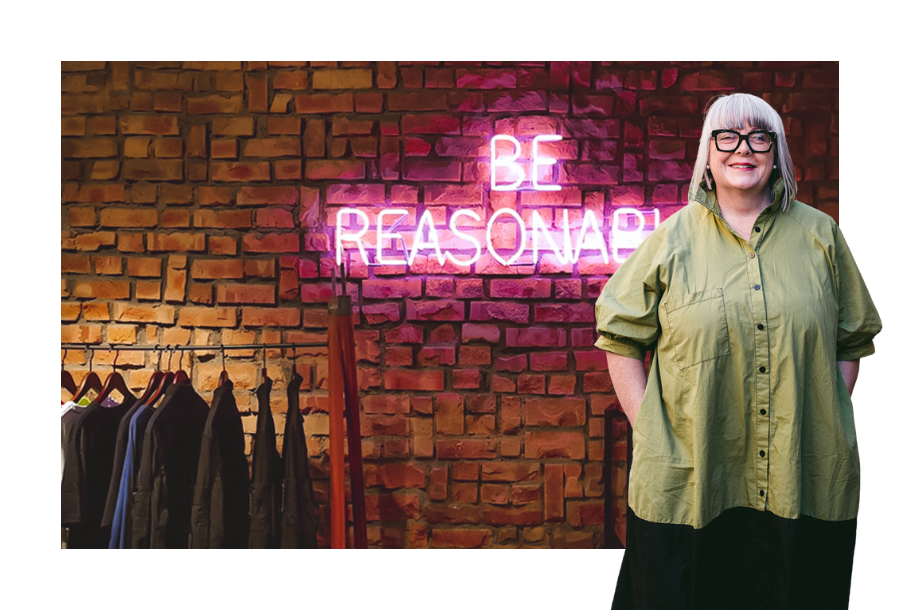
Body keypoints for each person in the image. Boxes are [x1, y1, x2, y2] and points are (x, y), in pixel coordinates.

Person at [594, 93, 881, 610]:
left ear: (777, 152)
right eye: (726, 136)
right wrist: (653, 430)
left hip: (803, 475)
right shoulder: (672, 239)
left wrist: (817, 414)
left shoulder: (821, 236)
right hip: (694, 477)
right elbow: (619, 337)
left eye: (758, 136)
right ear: (708, 151)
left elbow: (850, 341)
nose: (742, 148)